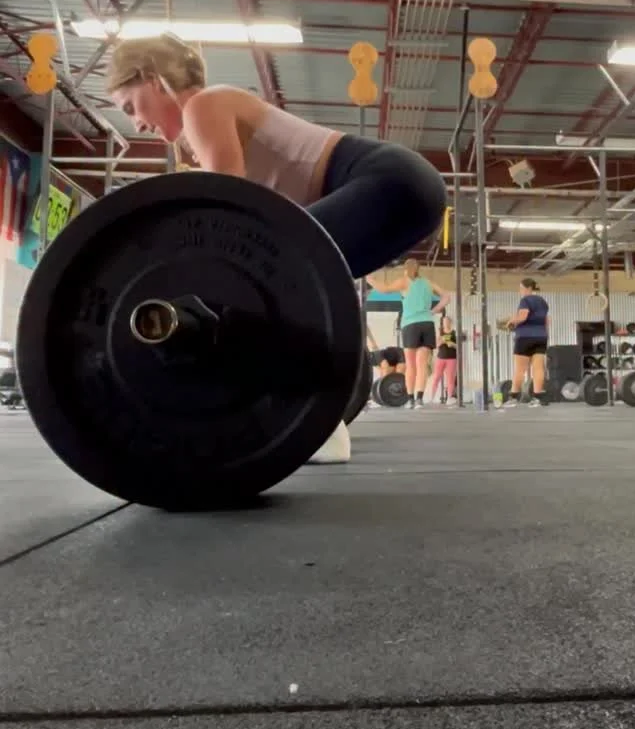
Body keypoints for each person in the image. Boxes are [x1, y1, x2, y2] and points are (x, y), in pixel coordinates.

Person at [105, 33, 447, 462]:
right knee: (305, 288)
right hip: (412, 192)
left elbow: (226, 222)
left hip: (390, 181)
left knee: (256, 283)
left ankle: (317, 425)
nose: (136, 123)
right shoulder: (210, 120)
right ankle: (325, 411)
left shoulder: (203, 106)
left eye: (131, 106)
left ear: (155, 80)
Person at [366, 259, 449, 409]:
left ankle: (410, 399)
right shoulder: (428, 282)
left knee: (410, 365)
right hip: (427, 323)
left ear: (405, 269)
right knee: (422, 364)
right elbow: (447, 297)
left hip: (411, 324)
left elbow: (384, 289)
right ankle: (419, 399)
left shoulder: (404, 281)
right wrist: (433, 311)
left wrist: (369, 278)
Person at [503, 277, 550, 408]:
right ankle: (538, 397)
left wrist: (511, 322)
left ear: (528, 288)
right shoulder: (543, 302)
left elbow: (523, 316)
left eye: (521, 288)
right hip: (541, 337)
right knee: (538, 368)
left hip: (525, 337)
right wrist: (545, 336)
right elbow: (547, 321)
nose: (520, 291)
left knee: (520, 369)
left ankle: (513, 398)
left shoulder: (525, 300)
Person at [430, 315, 457, 405]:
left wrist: (452, 344)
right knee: (436, 377)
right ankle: (432, 398)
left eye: (447, 321)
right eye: (444, 321)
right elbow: (435, 345)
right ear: (442, 323)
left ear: (450, 322)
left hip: (451, 358)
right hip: (440, 358)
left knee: (450, 379)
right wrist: (441, 341)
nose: (446, 323)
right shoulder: (440, 332)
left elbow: (458, 346)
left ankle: (449, 398)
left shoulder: (454, 333)